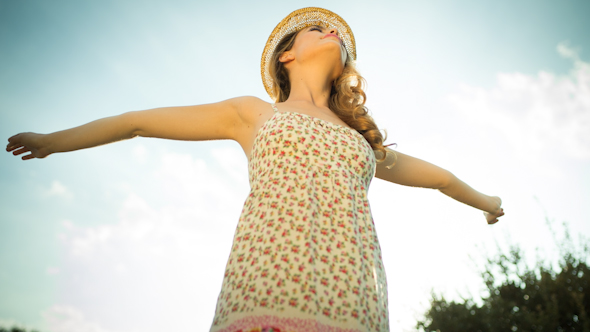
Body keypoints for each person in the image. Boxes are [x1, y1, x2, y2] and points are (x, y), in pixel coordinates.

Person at [6, 7, 504, 332]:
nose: (332, 30)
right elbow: (137, 122)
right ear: (288, 54)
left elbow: (438, 178)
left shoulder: (359, 140)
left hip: (352, 292)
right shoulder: (254, 113)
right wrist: (53, 142)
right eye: (318, 28)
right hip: (265, 280)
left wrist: (486, 202)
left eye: (338, 35)